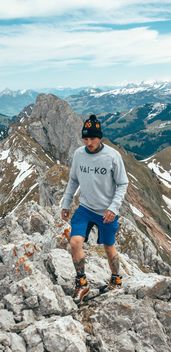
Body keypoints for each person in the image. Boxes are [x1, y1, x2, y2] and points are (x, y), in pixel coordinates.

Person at [61, 114, 129, 304]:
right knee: (75, 242)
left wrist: (113, 208)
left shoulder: (112, 156)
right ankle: (82, 283)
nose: (88, 142)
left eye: (92, 138)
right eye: (85, 138)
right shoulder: (78, 154)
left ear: (100, 138)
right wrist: (66, 204)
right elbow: (73, 180)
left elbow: (123, 183)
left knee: (109, 247)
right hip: (85, 208)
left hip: (106, 212)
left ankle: (116, 279)